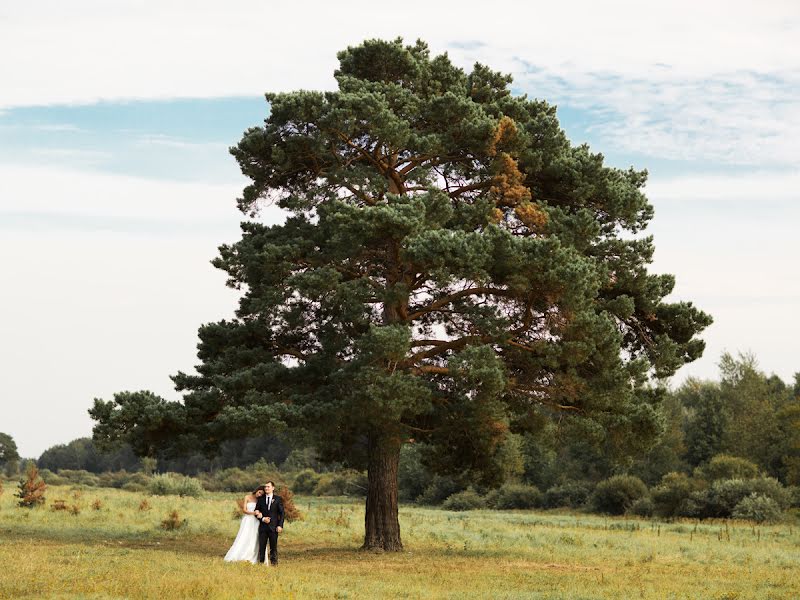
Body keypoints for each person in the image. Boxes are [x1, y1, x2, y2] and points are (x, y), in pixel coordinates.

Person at [223, 486, 266, 564]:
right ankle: (239, 554)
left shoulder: (260, 500)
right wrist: (253, 513)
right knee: (244, 535)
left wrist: (259, 513)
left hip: (256, 521)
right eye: (259, 492)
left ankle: (251, 555)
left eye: (261, 494)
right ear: (257, 490)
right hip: (248, 519)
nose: (259, 495)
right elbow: (244, 510)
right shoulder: (247, 497)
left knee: (254, 537)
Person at [254, 480, 285, 565]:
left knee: (273, 547)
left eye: (268, 487)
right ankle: (261, 563)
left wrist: (280, 525)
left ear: (273, 488)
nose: (266, 488)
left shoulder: (278, 499)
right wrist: (263, 518)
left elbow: (282, 513)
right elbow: (256, 512)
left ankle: (274, 564)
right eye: (265, 487)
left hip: (274, 527)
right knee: (262, 547)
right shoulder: (261, 499)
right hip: (263, 528)